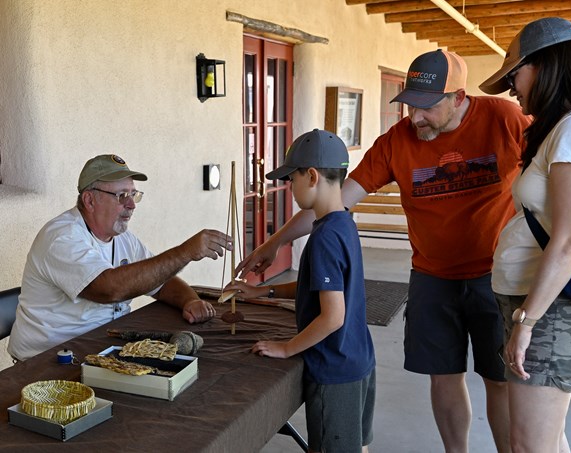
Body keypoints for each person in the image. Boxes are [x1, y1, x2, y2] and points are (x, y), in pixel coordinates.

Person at [236, 50, 531, 453]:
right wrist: (274, 243)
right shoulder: (397, 141)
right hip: (433, 276)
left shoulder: (505, 119)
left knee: (499, 380)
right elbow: (337, 201)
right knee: (443, 375)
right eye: (410, 104)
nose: (415, 117)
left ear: (459, 98)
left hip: (493, 276)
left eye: (426, 107)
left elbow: (553, 171)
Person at [479, 17, 571, 452]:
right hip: (540, 306)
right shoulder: (565, 126)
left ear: (546, 65)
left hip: (552, 312)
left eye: (515, 75)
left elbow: (569, 240)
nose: (512, 88)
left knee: (530, 445)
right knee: (544, 441)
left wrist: (527, 321)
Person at [227, 129, 376, 453]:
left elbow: (332, 317)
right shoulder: (343, 222)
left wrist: (287, 348)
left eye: (291, 179)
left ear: (311, 176)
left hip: (334, 370)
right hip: (360, 358)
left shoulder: (323, 238)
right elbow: (323, 288)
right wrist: (262, 294)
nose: (289, 188)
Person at [8, 154, 232, 361]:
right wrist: (185, 252)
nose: (132, 204)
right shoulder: (61, 237)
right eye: (122, 195)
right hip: (48, 361)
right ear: (89, 200)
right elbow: (108, 289)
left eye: (133, 194)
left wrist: (190, 300)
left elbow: (159, 280)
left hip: (100, 349)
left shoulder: (122, 237)